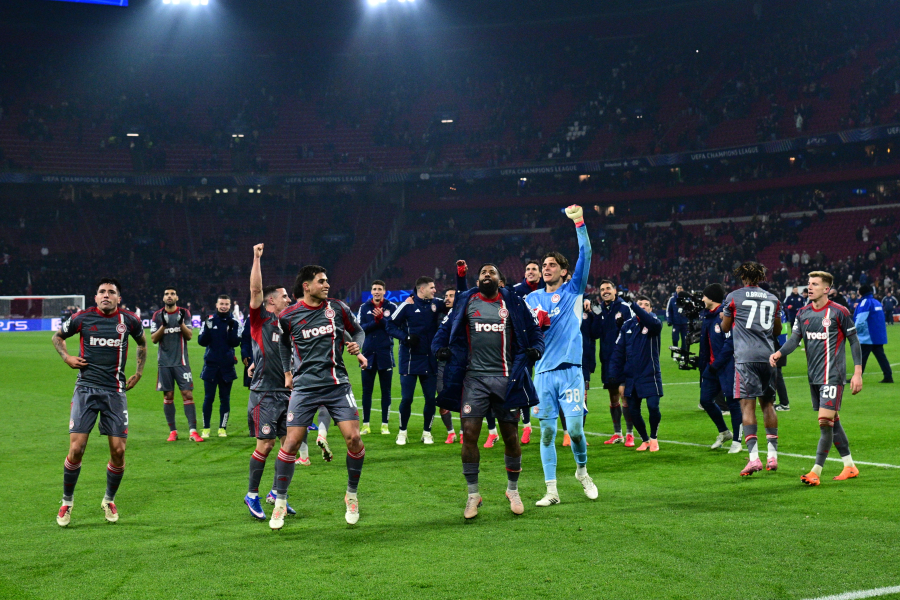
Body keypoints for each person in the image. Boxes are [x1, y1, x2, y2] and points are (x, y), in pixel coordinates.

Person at [434, 263, 544, 518]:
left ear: (499, 280)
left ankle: (512, 490)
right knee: (469, 434)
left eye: (491, 272)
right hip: (474, 380)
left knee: (511, 437)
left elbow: (535, 331)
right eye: (483, 272)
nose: (486, 275)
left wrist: (537, 349)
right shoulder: (466, 301)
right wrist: (438, 349)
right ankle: (473, 494)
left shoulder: (514, 302)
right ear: (478, 279)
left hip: (507, 379)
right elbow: (443, 330)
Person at [271, 265, 367, 529]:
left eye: (327, 281)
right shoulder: (288, 316)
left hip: (337, 384)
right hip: (304, 387)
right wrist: (287, 372)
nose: (327, 285)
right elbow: (283, 344)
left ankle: (351, 495)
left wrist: (357, 345)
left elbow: (358, 331)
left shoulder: (337, 308)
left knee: (354, 439)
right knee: (291, 443)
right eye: (321, 281)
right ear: (307, 286)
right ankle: (280, 502)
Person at [52, 278, 146, 526]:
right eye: (102, 292)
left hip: (115, 392)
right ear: (95, 297)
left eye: (111, 292)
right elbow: (57, 337)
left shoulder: (130, 320)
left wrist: (138, 372)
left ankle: (109, 499)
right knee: (76, 449)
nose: (106, 295)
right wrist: (67, 357)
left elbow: (142, 344)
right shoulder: (82, 318)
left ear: (118, 298)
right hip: (86, 389)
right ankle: (67, 502)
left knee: (119, 452)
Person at [525, 204, 599, 506]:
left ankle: (582, 472)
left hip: (570, 372)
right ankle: (551, 491)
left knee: (577, 431)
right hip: (542, 374)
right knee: (547, 433)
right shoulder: (531, 299)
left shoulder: (572, 290)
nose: (546, 268)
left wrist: (579, 222)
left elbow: (587, 254)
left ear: (564, 271)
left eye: (552, 265)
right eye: (544, 265)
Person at [769, 271, 864, 485]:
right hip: (814, 376)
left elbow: (854, 341)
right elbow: (795, 339)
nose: (809, 287)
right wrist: (779, 353)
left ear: (826, 289)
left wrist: (857, 373)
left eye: (815, 284)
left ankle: (816, 471)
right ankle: (849, 465)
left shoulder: (839, 311)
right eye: (809, 283)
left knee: (824, 422)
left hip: (833, 375)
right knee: (833, 421)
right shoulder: (803, 313)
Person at [243, 244, 298, 520]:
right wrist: (256, 258)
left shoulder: (290, 322)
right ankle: (252, 494)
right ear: (271, 301)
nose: (289, 299)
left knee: (290, 445)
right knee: (265, 445)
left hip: (288, 393)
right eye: (284, 296)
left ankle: (277, 494)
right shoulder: (260, 319)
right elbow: (255, 291)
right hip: (264, 393)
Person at [721, 262, 782, 476]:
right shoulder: (773, 298)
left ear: (743, 277)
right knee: (768, 405)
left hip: (746, 358)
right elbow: (777, 330)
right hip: (768, 357)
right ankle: (772, 456)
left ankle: (754, 458)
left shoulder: (733, 297)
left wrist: (726, 318)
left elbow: (725, 328)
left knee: (747, 406)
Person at [386, 276, 447, 445]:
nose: (435, 290)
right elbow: (389, 325)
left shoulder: (436, 303)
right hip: (410, 359)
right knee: (407, 399)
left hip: (430, 360)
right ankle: (402, 432)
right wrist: (405, 337)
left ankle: (427, 433)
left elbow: (452, 305)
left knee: (430, 399)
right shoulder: (407, 305)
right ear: (422, 289)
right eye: (432, 287)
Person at [609, 295, 663, 452]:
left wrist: (634, 305)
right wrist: (614, 375)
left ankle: (654, 438)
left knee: (653, 407)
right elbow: (618, 351)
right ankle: (645, 440)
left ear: (650, 309)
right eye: (640, 304)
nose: (643, 306)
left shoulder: (654, 323)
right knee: (633, 410)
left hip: (650, 374)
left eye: (646, 304)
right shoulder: (627, 326)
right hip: (631, 376)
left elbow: (652, 322)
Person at [150, 287, 201, 442]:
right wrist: (164, 325)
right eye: (166, 294)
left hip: (181, 362)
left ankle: (193, 431)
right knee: (168, 396)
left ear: (177, 297)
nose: (169, 296)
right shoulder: (157, 315)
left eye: (172, 294)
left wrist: (180, 323)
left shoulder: (184, 313)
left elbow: (189, 335)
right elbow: (153, 339)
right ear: (163, 298)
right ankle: (173, 431)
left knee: (187, 394)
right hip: (164, 363)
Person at [697, 283, 742, 452]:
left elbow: (730, 343)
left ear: (711, 298)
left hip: (727, 366)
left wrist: (716, 364)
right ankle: (724, 432)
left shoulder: (725, 315)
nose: (702, 299)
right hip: (711, 367)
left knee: (732, 402)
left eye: (704, 296)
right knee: (705, 400)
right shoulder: (708, 316)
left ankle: (737, 441)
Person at [591, 279, 634, 446]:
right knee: (613, 396)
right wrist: (596, 316)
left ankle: (630, 434)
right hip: (607, 360)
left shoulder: (624, 308)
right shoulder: (600, 310)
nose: (605, 291)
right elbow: (595, 334)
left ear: (615, 290)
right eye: (602, 289)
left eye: (608, 288)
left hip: (623, 359)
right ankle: (618, 433)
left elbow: (632, 330)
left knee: (624, 395)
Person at [356, 280, 399, 435]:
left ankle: (384, 425)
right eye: (374, 289)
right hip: (367, 355)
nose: (377, 292)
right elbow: (360, 329)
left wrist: (382, 319)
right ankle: (366, 425)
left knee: (386, 391)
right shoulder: (364, 307)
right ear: (371, 291)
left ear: (384, 291)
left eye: (380, 289)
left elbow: (394, 328)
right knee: (366, 391)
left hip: (385, 354)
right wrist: (376, 322)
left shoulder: (392, 307)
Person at [197, 295, 242, 438]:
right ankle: (206, 428)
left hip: (227, 367)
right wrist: (208, 330)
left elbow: (235, 343)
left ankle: (222, 428)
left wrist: (230, 330)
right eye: (221, 303)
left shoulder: (235, 323)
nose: (224, 306)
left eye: (226, 304)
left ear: (230, 306)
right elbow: (201, 342)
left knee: (225, 398)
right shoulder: (209, 321)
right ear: (216, 305)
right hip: (211, 366)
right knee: (208, 398)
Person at [511, 260, 544, 443]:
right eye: (528, 269)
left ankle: (563, 429)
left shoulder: (548, 288)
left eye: (534, 269)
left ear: (540, 273)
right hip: (524, 345)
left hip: (546, 344)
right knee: (522, 382)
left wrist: (585, 299)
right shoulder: (516, 290)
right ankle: (526, 425)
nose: (530, 272)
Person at [854, 284, 893, 383]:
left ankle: (857, 376)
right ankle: (888, 376)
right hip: (877, 335)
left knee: (861, 357)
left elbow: (860, 320)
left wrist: (853, 331)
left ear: (861, 292)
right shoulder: (876, 302)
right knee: (881, 357)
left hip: (868, 336)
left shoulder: (865, 302)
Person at [666, 285, 689, 355]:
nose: (679, 289)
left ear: (683, 289)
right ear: (676, 289)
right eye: (678, 288)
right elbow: (668, 310)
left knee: (685, 339)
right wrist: (669, 320)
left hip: (685, 323)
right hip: (676, 323)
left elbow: (691, 310)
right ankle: (676, 353)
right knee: (675, 339)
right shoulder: (672, 299)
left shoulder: (687, 299)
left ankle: (683, 354)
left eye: (681, 288)